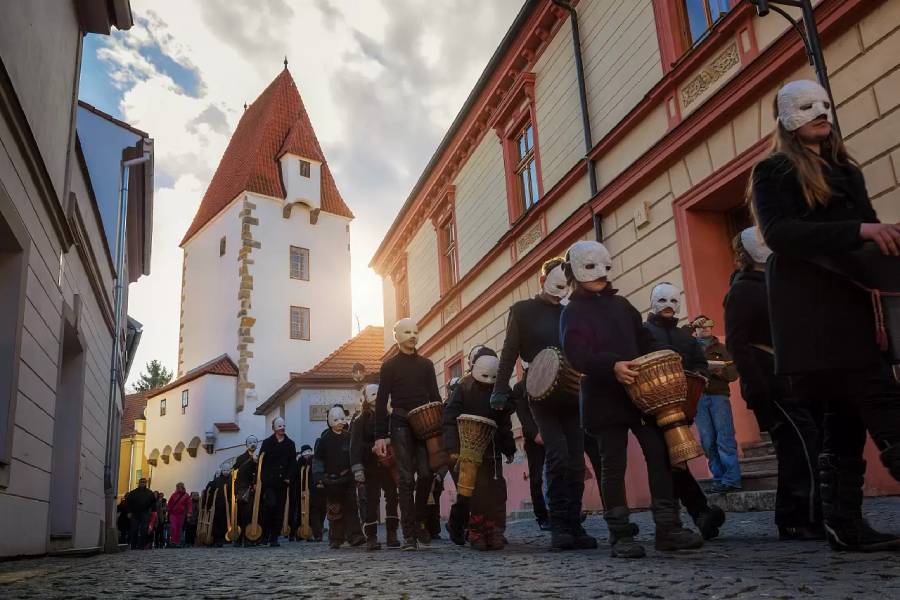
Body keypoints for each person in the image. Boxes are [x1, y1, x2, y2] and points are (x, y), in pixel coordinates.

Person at [751, 79, 900, 551]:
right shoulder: (773, 170)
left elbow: (867, 234)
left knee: (844, 420)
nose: (821, 112)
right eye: (807, 107)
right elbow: (779, 234)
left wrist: (878, 236)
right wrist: (859, 228)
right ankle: (844, 525)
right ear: (786, 116)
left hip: (855, 303)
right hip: (816, 313)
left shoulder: (845, 170)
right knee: (884, 406)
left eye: (825, 105)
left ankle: (844, 525)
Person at [560, 240, 703, 558]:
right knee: (613, 464)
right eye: (590, 267)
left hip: (641, 395)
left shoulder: (622, 306)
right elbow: (577, 355)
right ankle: (620, 535)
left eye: (603, 267)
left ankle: (668, 528)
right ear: (576, 271)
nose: (599, 273)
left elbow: (644, 337)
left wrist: (660, 356)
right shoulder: (572, 312)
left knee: (660, 454)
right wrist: (611, 366)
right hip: (603, 398)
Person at [724, 227, 824, 540]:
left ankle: (794, 517)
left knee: (800, 446)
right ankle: (804, 517)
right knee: (800, 443)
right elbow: (738, 345)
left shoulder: (780, 282)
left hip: (797, 376)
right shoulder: (740, 291)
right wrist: (757, 389)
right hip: (771, 380)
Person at [490, 257, 595, 550]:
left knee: (575, 461)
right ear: (543, 280)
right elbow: (509, 352)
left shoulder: (569, 312)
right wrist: (499, 390)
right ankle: (559, 526)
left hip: (573, 395)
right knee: (558, 456)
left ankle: (575, 525)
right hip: (539, 395)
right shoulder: (522, 311)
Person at [644, 282, 727, 539]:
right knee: (672, 461)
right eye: (663, 300)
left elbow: (700, 363)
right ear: (653, 303)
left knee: (677, 459)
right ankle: (693, 514)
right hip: (653, 410)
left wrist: (699, 375)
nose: (669, 306)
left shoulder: (684, 337)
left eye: (673, 300)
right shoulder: (644, 333)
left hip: (683, 408)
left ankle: (697, 514)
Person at [373, 318, 443, 550]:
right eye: (407, 332)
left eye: (415, 331)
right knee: (405, 479)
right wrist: (380, 436)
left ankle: (418, 520)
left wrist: (441, 428)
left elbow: (435, 396)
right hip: (400, 423)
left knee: (425, 474)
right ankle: (409, 536)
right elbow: (382, 402)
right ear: (398, 336)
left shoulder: (426, 365)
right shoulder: (389, 366)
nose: (413, 335)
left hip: (425, 426)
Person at [444, 347, 516, 551]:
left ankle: (493, 530)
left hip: (492, 449)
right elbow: (449, 418)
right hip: (469, 450)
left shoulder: (501, 387)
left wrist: (508, 447)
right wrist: (453, 447)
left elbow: (504, 422)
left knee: (495, 490)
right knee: (472, 492)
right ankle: (473, 530)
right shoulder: (463, 387)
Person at [690, 315, 742, 493]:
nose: (705, 328)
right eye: (701, 325)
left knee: (724, 437)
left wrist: (721, 372)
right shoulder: (689, 348)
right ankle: (718, 478)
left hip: (719, 396)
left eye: (709, 325)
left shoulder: (721, 348)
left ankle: (732, 479)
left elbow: (734, 373)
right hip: (699, 398)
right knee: (707, 441)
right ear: (694, 329)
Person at [351, 383, 400, 550]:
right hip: (370, 464)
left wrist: (389, 441)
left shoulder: (390, 417)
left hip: (389, 464)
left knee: (392, 497)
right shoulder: (359, 421)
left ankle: (392, 534)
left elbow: (396, 436)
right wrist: (358, 469)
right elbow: (355, 446)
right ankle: (371, 536)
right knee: (371, 500)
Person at [314, 406, 366, 549]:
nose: (339, 422)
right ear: (330, 420)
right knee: (334, 509)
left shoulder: (349, 437)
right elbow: (318, 460)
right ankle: (336, 538)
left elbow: (355, 455)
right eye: (336, 419)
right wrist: (319, 478)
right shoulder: (323, 440)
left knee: (351, 507)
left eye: (341, 419)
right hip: (330, 480)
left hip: (347, 478)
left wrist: (357, 472)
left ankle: (355, 536)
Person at [511, 379, 549, 531]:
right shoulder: (520, 387)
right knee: (536, 478)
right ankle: (542, 516)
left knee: (561, 471)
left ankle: (564, 511)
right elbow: (523, 416)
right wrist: (535, 434)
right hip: (534, 440)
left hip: (553, 433)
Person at [259, 417, 297, 547]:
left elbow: (293, 463)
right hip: (270, 482)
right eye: (279, 426)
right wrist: (263, 479)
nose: (282, 429)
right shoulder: (267, 443)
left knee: (280, 509)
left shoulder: (290, 444)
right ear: (274, 428)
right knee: (270, 507)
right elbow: (261, 463)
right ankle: (265, 535)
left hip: (283, 482)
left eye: (283, 426)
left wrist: (289, 477)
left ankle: (274, 537)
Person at [232, 436, 258, 546]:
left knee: (254, 514)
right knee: (243, 515)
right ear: (246, 445)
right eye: (250, 442)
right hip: (244, 490)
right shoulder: (242, 458)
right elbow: (239, 473)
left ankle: (252, 537)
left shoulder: (259, 457)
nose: (252, 444)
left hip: (255, 491)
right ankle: (242, 538)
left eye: (254, 442)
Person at [298, 444, 325, 541]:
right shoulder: (308, 461)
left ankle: (318, 532)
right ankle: (317, 532)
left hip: (319, 489)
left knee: (319, 511)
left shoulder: (314, 459)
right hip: (314, 489)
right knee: (316, 511)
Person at [124, 477, 156, 550]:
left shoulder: (149, 492)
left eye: (144, 482)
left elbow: (153, 503)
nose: (143, 483)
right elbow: (128, 502)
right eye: (141, 482)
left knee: (144, 529)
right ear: (139, 483)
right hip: (135, 513)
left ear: (146, 483)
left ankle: (142, 545)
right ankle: (133, 545)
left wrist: (153, 511)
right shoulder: (133, 492)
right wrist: (129, 512)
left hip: (145, 513)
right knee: (134, 529)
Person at [167, 482, 192, 547]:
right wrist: (168, 511)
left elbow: (189, 505)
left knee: (179, 528)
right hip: (173, 514)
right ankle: (173, 541)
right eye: (177, 487)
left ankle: (177, 542)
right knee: (173, 527)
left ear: (183, 487)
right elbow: (169, 504)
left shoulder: (186, 495)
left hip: (181, 514)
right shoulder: (173, 495)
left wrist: (189, 513)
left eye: (179, 486)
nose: (178, 488)